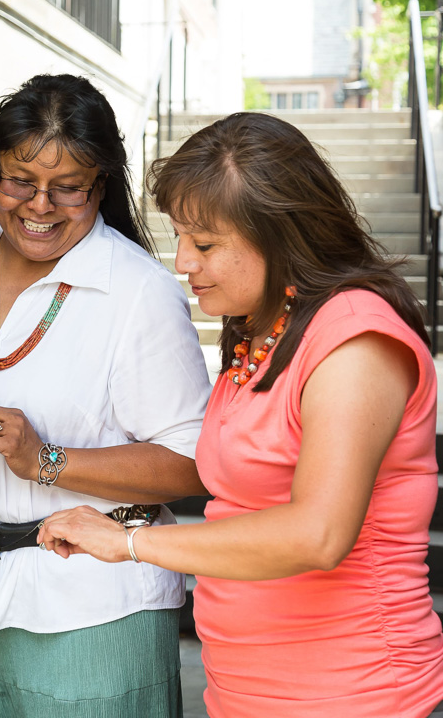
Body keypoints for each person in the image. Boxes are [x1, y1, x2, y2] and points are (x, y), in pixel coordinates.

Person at [38, 111, 443, 717]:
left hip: (351, 689)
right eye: (178, 237)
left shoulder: (355, 341)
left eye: (203, 244)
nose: (182, 262)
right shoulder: (263, 328)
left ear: (281, 234)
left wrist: (129, 542)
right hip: (249, 687)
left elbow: (318, 534)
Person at [0, 73, 211, 716]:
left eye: (68, 188)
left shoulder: (138, 291)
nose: (39, 206)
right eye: (20, 181)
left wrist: (47, 460)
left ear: (100, 186)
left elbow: (190, 462)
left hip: (97, 610)